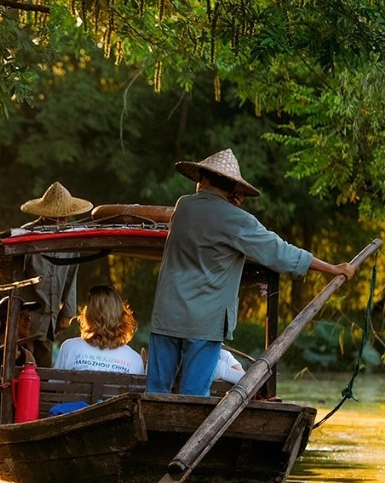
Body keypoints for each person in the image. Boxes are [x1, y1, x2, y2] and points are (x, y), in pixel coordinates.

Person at [146, 148, 356, 397]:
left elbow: (205, 212)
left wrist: (226, 204)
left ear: (203, 180)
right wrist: (332, 268)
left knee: (155, 392)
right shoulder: (237, 220)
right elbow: (280, 252)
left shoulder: (183, 207)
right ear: (234, 189)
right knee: (192, 396)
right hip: (204, 322)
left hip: (167, 314)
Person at [17, 182, 94, 366]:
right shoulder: (25, 235)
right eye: (56, 219)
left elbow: (70, 277)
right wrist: (11, 316)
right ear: (44, 215)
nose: (61, 223)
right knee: (21, 363)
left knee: (44, 366)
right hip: (25, 318)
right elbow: (11, 280)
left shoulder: (70, 239)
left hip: (49, 318)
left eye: (64, 219)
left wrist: (67, 313)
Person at [55, 285, 145, 375]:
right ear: (121, 315)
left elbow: (54, 386)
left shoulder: (70, 348)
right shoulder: (134, 359)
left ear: (88, 315)